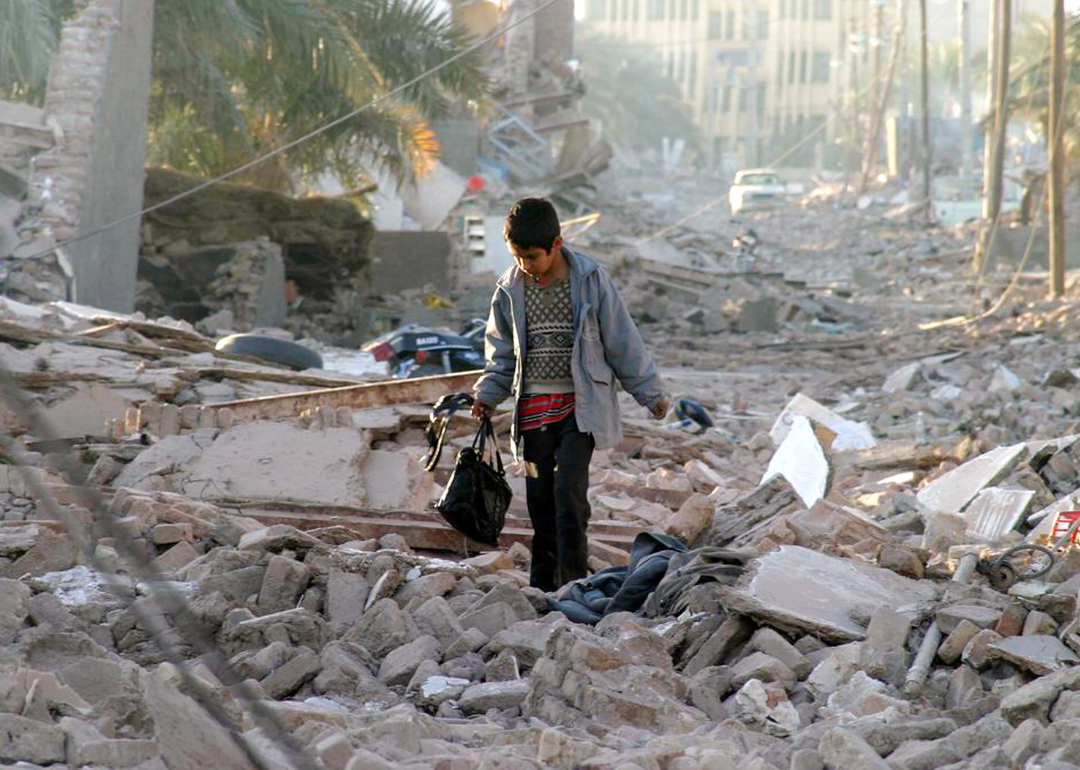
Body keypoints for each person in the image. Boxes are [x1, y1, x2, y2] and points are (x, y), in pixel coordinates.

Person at [471, 197, 670, 592]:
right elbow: (501, 352)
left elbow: (622, 340)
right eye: (517, 256)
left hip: (580, 411)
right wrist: (487, 395)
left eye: (532, 256)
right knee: (540, 504)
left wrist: (649, 393)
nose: (526, 265)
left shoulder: (591, 281)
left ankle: (574, 585)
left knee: (569, 499)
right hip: (531, 415)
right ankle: (544, 589)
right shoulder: (509, 289)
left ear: (557, 244)